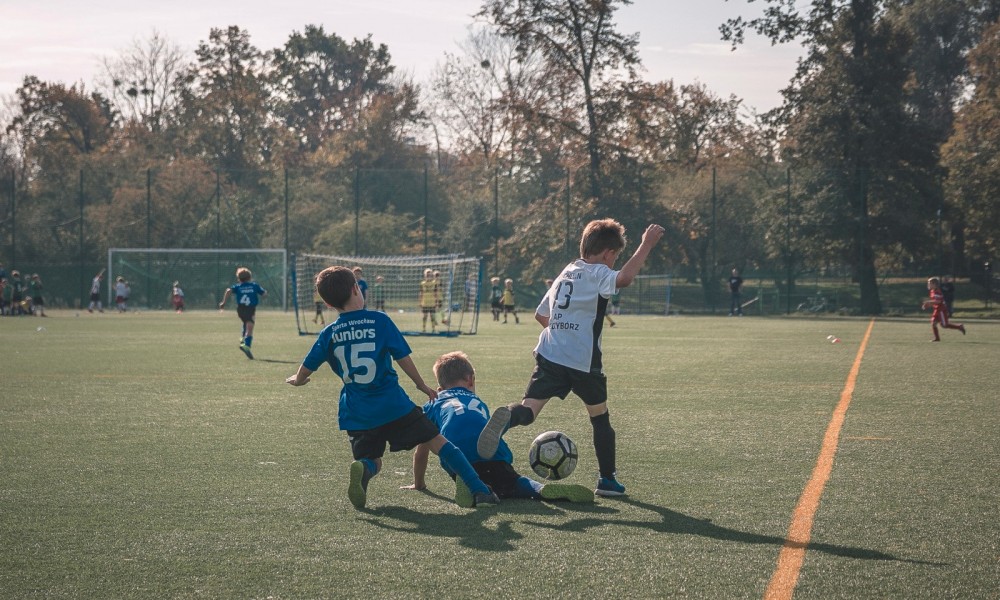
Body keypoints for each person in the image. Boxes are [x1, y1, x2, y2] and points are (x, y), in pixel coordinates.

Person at [285, 266, 500, 509]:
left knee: (373, 459)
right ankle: (480, 490)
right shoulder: (380, 321)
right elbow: (402, 357)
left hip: (356, 412)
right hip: (393, 406)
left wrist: (299, 379)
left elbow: (308, 365)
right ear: (357, 289)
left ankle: (364, 469)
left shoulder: (329, 332)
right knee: (436, 441)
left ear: (327, 303)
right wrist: (421, 385)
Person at [478, 218, 666, 497]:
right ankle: (607, 481)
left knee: (528, 411)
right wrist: (646, 244)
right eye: (615, 256)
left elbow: (541, 314)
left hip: (550, 355)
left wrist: (562, 333)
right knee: (599, 417)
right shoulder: (599, 272)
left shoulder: (566, 272)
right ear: (608, 254)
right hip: (582, 362)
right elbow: (624, 279)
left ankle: (506, 420)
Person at [405, 351, 593, 503]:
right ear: (471, 380)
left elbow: (421, 451)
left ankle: (471, 487)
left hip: (460, 460)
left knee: (439, 443)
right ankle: (539, 489)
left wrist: (419, 484)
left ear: (440, 389)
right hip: (495, 457)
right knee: (515, 483)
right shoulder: (477, 402)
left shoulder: (433, 404)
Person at [218, 267, 267, 359]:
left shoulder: (238, 286)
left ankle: (242, 339)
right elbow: (264, 293)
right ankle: (246, 345)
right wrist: (264, 294)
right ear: (250, 277)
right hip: (250, 309)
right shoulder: (254, 285)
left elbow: (228, 290)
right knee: (250, 327)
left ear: (239, 278)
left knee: (245, 323)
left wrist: (223, 302)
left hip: (240, 309)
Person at [922, 276, 966, 342]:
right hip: (937, 310)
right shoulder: (932, 291)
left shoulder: (937, 292)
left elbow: (938, 301)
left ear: (934, 284)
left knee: (944, 325)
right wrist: (928, 305)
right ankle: (937, 338)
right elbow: (935, 302)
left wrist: (928, 302)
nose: (928, 285)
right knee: (933, 323)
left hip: (941, 310)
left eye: (929, 283)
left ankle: (959, 327)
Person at [419, 268, 438, 333]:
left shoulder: (434, 283)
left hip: (432, 303)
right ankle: (424, 329)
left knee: (432, 317)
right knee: (425, 317)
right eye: (427, 275)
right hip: (425, 303)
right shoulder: (422, 283)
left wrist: (436, 302)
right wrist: (420, 302)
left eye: (430, 275)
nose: (428, 276)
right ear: (425, 276)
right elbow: (421, 293)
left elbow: (436, 293)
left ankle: (433, 329)